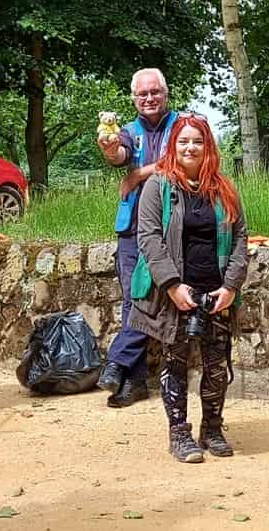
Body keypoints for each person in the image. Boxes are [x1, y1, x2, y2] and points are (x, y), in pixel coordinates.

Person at [130, 115, 249, 463]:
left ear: (208, 146)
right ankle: (179, 433)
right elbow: (148, 237)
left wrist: (231, 286)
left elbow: (240, 237)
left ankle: (212, 428)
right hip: (177, 292)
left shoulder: (224, 188)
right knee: (176, 363)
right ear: (174, 145)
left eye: (197, 141)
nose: (190, 147)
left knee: (216, 365)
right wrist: (170, 284)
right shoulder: (159, 185)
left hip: (217, 292)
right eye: (183, 141)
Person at [95, 68, 184, 409]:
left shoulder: (183, 126)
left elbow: (180, 160)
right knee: (132, 299)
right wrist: (110, 148)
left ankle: (116, 362)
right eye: (142, 94)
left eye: (154, 92)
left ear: (166, 93)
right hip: (132, 227)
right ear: (133, 99)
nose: (149, 98)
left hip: (172, 224)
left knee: (152, 298)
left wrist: (138, 175)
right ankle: (132, 382)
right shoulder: (129, 131)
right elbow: (119, 155)